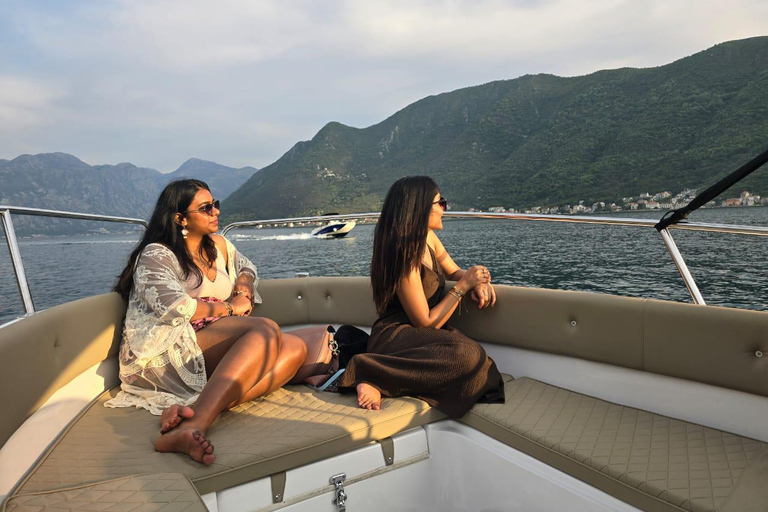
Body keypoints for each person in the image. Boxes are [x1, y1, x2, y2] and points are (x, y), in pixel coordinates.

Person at [106, 179, 306, 465]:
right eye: (206, 207)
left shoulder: (219, 246)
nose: (216, 212)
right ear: (180, 218)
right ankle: (196, 424)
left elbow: (246, 267)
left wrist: (244, 288)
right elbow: (177, 307)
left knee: (296, 348)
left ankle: (193, 413)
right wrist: (229, 307)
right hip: (169, 346)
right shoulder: (157, 254)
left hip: (209, 339)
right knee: (265, 330)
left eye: (216, 205)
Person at [337, 176, 505, 417]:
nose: (444, 208)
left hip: (422, 335)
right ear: (420, 207)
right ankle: (367, 370)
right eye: (441, 202)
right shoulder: (403, 253)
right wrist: (464, 286)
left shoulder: (428, 238)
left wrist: (479, 278)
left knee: (474, 359)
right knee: (466, 357)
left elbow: (454, 271)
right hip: (397, 335)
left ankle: (382, 378)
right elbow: (424, 321)